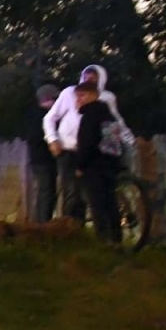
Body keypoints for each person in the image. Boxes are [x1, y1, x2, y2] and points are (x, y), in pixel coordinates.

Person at [44, 65, 134, 221]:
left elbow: (116, 122)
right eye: (86, 77)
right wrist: (52, 139)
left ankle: (99, 235)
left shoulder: (107, 98)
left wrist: (130, 140)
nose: (89, 80)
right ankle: (71, 231)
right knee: (71, 194)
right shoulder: (69, 93)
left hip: (92, 152)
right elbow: (50, 118)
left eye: (93, 78)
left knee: (94, 194)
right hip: (68, 150)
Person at [73, 80, 127, 244]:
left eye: (81, 96)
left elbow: (87, 143)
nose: (78, 100)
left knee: (97, 205)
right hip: (110, 165)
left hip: (94, 166)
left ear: (93, 95)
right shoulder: (108, 115)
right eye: (77, 97)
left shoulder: (90, 115)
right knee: (111, 204)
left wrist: (80, 165)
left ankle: (102, 242)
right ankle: (116, 240)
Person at [27, 84, 60, 222]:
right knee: (46, 192)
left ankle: (41, 221)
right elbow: (37, 136)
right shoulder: (42, 116)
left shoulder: (34, 114)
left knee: (44, 192)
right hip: (43, 160)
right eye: (54, 98)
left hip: (39, 160)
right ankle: (43, 222)